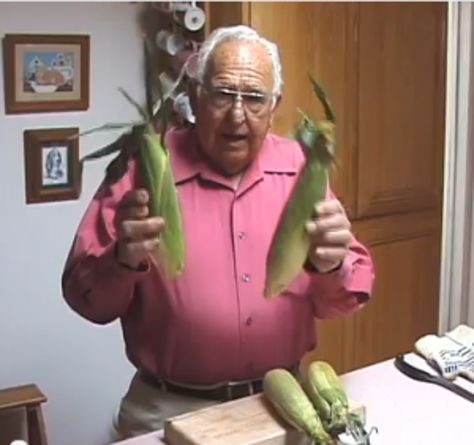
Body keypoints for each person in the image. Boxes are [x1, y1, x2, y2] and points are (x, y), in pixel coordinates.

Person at [61, 25, 375, 439]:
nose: (237, 115)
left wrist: (331, 265)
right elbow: (87, 300)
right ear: (194, 95)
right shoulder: (144, 168)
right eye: (223, 94)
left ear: (275, 104)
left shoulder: (302, 167)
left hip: (281, 404)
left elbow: (346, 296)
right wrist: (122, 260)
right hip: (168, 410)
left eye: (255, 98)